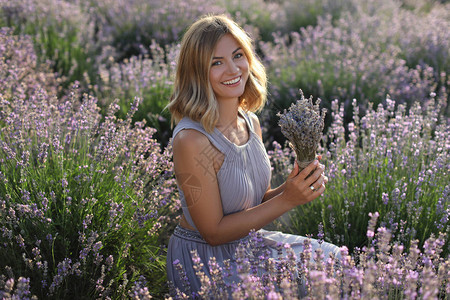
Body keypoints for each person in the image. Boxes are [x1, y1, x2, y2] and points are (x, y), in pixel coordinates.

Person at [165, 14, 340, 297]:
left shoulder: (249, 121)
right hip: (206, 263)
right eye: (216, 62)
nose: (233, 69)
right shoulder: (192, 140)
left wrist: (293, 188)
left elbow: (250, 204)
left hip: (248, 246)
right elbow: (214, 232)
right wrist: (287, 200)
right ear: (197, 71)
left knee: (333, 259)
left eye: (238, 55)